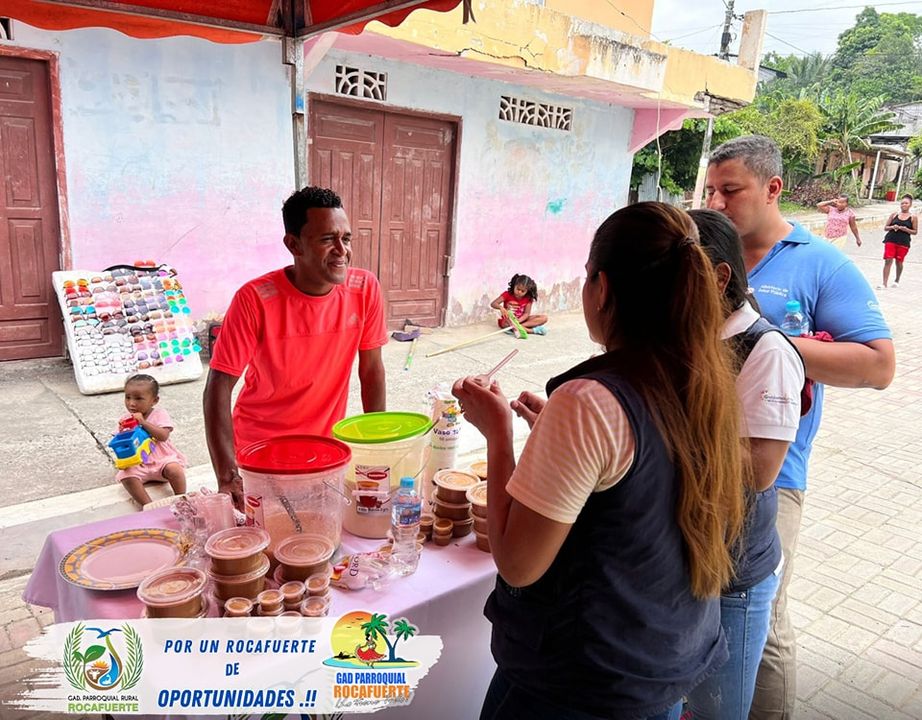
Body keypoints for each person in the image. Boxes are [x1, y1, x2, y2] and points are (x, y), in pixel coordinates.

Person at [454, 202, 746, 720]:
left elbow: (518, 563)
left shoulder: (589, 401)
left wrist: (498, 434)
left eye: (588, 275)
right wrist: (555, 440)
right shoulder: (702, 377)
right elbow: (638, 486)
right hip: (659, 664)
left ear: (602, 287)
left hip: (579, 685)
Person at [706, 135, 895, 720]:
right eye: (710, 191)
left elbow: (879, 366)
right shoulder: (703, 249)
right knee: (699, 609)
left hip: (772, 474)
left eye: (730, 190)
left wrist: (764, 342)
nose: (716, 203)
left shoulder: (820, 263)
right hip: (691, 459)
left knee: (760, 620)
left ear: (773, 188)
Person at [686, 209, 805, 720]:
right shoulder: (689, 338)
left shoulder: (766, 349)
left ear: (718, 277)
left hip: (733, 571)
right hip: (685, 556)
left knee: (718, 707)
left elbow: (760, 469)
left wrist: (665, 424)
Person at [204, 187, 387, 509]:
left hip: (325, 451)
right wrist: (227, 473)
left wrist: (379, 445)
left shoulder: (364, 288)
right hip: (260, 453)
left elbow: (371, 369)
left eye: (346, 238)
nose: (342, 250)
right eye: (327, 239)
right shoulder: (254, 299)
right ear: (294, 244)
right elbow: (218, 385)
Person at [115, 374, 187, 507]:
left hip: (162, 460)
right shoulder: (126, 419)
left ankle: (181, 499)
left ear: (154, 400)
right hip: (139, 464)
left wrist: (143, 422)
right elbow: (122, 444)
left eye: (138, 398)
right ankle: (148, 506)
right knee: (127, 477)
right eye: (128, 397)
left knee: (175, 470)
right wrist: (123, 432)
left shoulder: (159, 414)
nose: (131, 403)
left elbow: (163, 436)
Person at [881, 193, 917, 288]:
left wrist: (906, 229)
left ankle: (897, 280)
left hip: (903, 242)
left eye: (906, 203)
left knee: (899, 262)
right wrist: (893, 227)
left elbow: (915, 231)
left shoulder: (913, 217)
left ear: (910, 205)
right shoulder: (894, 215)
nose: (903, 205)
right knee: (888, 260)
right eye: (902, 203)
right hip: (891, 240)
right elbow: (886, 227)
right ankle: (884, 283)